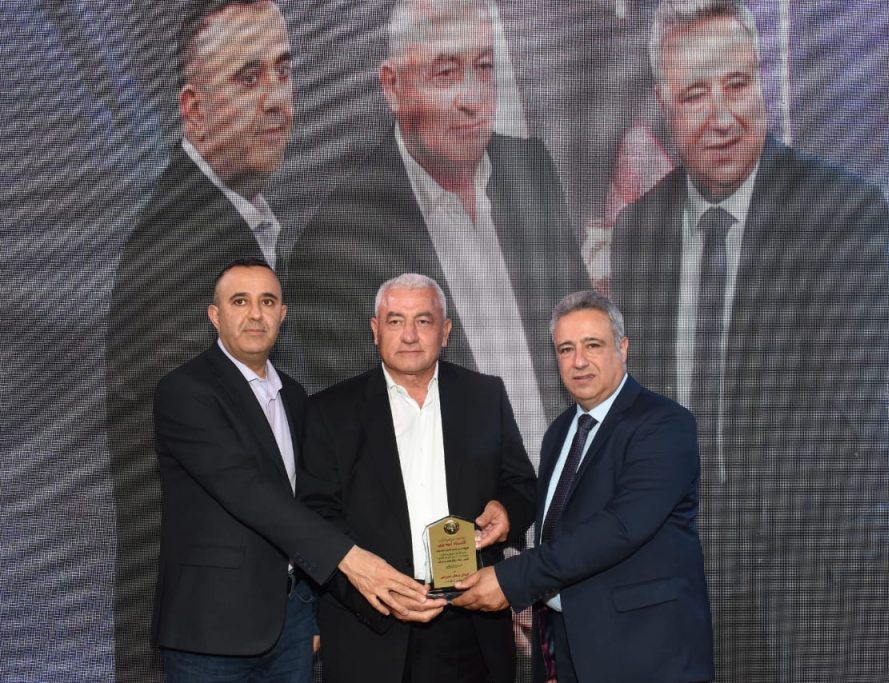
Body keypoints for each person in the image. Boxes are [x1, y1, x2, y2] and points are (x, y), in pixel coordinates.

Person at [611, 1, 889, 680]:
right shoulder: (637, 232)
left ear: (762, 83)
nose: (721, 116)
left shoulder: (842, 213)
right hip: (694, 605)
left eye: (736, 84)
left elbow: (834, 419)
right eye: (695, 94)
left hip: (824, 600)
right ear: (664, 108)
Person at [287, 0, 590, 459]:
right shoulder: (337, 245)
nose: (473, 98)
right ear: (393, 87)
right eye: (446, 73)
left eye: (483, 68)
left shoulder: (532, 172)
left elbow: (582, 349)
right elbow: (361, 447)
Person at [104, 0, 299, 674]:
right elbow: (227, 467)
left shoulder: (238, 222)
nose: (276, 99)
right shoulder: (178, 249)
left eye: (283, 71)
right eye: (249, 78)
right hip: (207, 632)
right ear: (194, 109)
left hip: (251, 620)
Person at [152, 259, 429, 681]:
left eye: (267, 301)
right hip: (211, 629)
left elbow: (310, 501)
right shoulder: (185, 391)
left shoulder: (295, 396)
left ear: (282, 314)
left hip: (291, 626)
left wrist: (311, 608)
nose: (255, 314)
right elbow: (247, 491)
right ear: (215, 315)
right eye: (240, 301)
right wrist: (350, 559)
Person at [453, 290, 713, 683]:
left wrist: (514, 580)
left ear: (622, 348)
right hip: (565, 652)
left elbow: (621, 527)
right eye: (566, 349)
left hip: (646, 656)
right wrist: (509, 515)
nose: (578, 361)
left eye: (593, 345)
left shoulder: (664, 424)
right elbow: (562, 526)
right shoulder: (559, 433)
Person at [299, 273, 538, 683]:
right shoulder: (329, 411)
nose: (409, 335)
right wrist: (372, 588)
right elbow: (316, 515)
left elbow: (522, 486)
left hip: (471, 623)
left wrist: (506, 511)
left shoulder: (485, 396)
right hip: (371, 629)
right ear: (375, 330)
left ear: (445, 331)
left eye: (423, 321)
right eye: (395, 320)